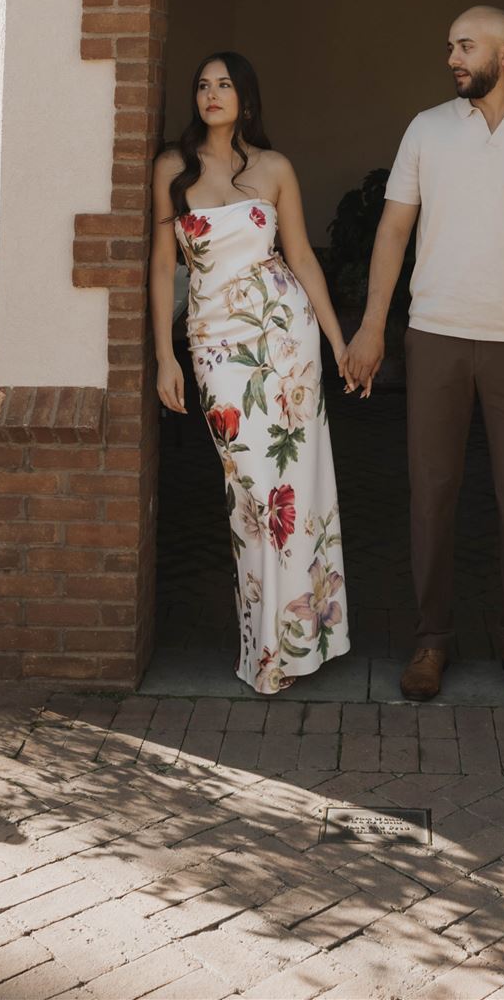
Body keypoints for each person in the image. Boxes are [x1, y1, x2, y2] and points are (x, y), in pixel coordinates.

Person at [344, 7, 504, 706]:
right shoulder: (426, 129)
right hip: (434, 335)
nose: (451, 56)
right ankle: (431, 641)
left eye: (463, 45)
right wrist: (372, 326)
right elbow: (393, 231)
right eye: (449, 44)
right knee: (431, 496)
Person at [151, 52, 352, 695]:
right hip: (215, 344)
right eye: (202, 84)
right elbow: (162, 270)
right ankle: (262, 643)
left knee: (293, 489)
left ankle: (291, 645)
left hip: (286, 339)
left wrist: (338, 341)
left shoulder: (275, 168)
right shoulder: (172, 169)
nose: (212, 94)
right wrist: (165, 356)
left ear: (246, 97)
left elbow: (301, 258)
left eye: (225, 84)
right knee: (250, 493)